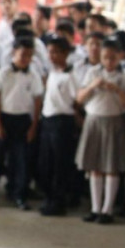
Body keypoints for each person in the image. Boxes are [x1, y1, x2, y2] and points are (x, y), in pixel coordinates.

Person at [0, 37, 44, 210]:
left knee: (22, 161)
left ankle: (19, 195)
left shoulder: (33, 75)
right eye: (22, 53)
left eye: (29, 55)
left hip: (23, 120)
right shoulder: (3, 72)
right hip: (5, 118)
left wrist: (33, 126)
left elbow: (37, 101)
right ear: (14, 52)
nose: (25, 58)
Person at [75, 36, 125, 224]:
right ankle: (95, 207)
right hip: (94, 120)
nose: (109, 61)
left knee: (111, 167)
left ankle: (107, 210)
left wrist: (116, 90)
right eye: (105, 57)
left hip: (114, 120)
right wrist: (93, 86)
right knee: (95, 167)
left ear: (120, 57)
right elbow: (79, 98)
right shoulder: (92, 72)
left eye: (113, 58)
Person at [38, 36, 82, 216]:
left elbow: (76, 100)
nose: (51, 56)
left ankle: (59, 201)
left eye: (56, 52)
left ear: (65, 53)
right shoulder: (53, 73)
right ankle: (49, 196)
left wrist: (76, 118)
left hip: (63, 121)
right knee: (45, 163)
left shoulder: (71, 75)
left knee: (60, 164)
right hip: (48, 120)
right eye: (49, 52)